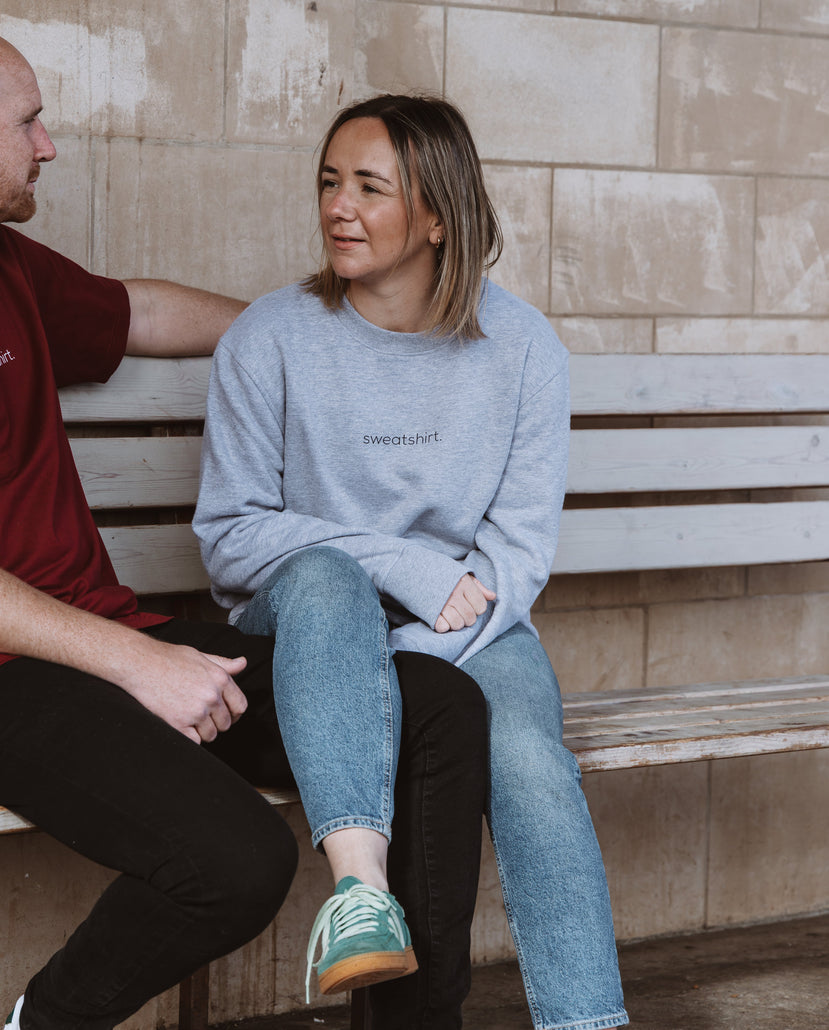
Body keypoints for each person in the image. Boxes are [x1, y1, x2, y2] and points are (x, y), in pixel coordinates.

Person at [0, 21, 487, 1030]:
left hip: (100, 639)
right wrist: (137, 663)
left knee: (435, 708)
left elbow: (137, 313)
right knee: (234, 860)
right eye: (28, 123)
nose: (48, 145)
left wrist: (319, 336)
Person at [194, 93, 629, 1030]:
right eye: (328, 183)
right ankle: (359, 903)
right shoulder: (269, 337)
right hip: (306, 618)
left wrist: (422, 647)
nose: (337, 208)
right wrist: (401, 568)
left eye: (369, 188)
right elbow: (230, 536)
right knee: (327, 578)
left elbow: (516, 548)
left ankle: (588, 1022)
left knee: (529, 760)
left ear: (436, 216)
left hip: (467, 625)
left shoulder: (522, 347)